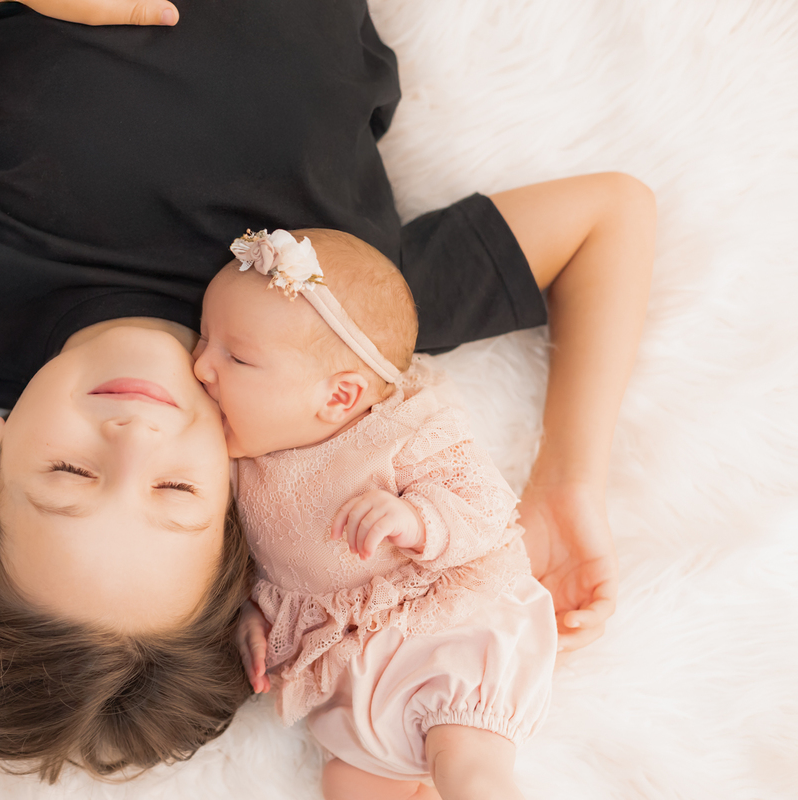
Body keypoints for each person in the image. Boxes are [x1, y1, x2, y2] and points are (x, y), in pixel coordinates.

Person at [0, 0, 655, 782]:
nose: (133, 440)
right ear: (235, 504)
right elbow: (609, 217)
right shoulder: (342, 331)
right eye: (175, 492)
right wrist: (568, 479)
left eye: (69, 475)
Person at [198, 228, 554, 799]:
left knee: (467, 769)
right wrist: (252, 615)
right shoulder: (235, 465)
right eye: (202, 339)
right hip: (353, 684)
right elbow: (246, 561)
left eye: (234, 357)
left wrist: (417, 519)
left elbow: (486, 506)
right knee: (346, 786)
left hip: (442, 638)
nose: (200, 368)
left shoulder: (399, 429)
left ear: (338, 396)